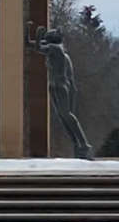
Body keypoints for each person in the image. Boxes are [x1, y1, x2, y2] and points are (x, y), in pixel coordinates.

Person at [30, 26, 93, 160]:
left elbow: (37, 48)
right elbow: (33, 45)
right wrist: (30, 34)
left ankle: (84, 144)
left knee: (67, 115)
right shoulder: (55, 49)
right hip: (54, 85)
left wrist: (37, 35)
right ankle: (77, 144)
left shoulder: (56, 49)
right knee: (62, 117)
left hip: (60, 85)